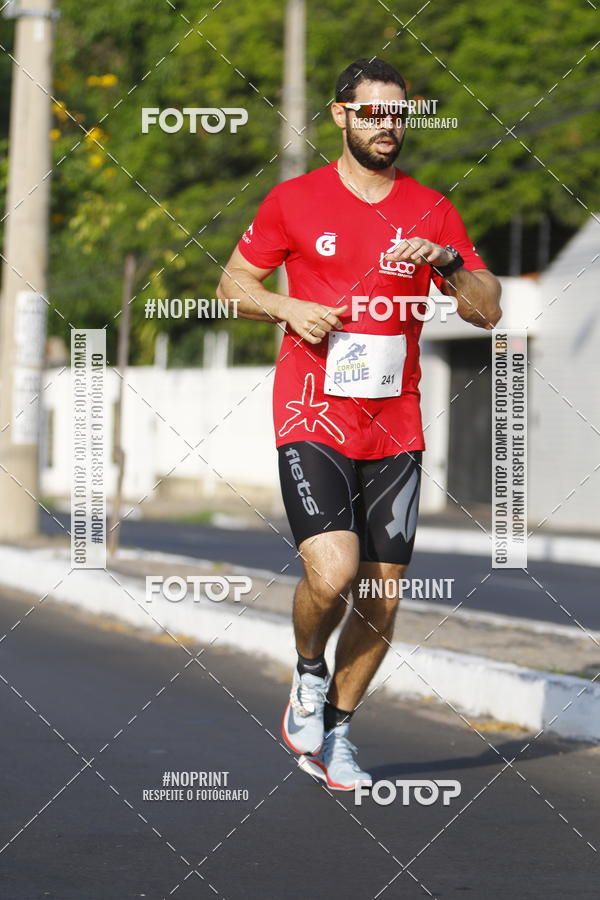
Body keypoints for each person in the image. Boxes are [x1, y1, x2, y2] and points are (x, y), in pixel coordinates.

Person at [217, 57, 501, 791]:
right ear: (341, 116)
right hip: (311, 408)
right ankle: (308, 673)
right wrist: (287, 308)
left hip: (395, 424)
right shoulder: (294, 201)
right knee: (335, 570)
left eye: (398, 114)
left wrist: (444, 263)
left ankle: (338, 732)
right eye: (372, 113)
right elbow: (232, 284)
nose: (387, 126)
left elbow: (486, 306)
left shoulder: (432, 209)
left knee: (381, 594)